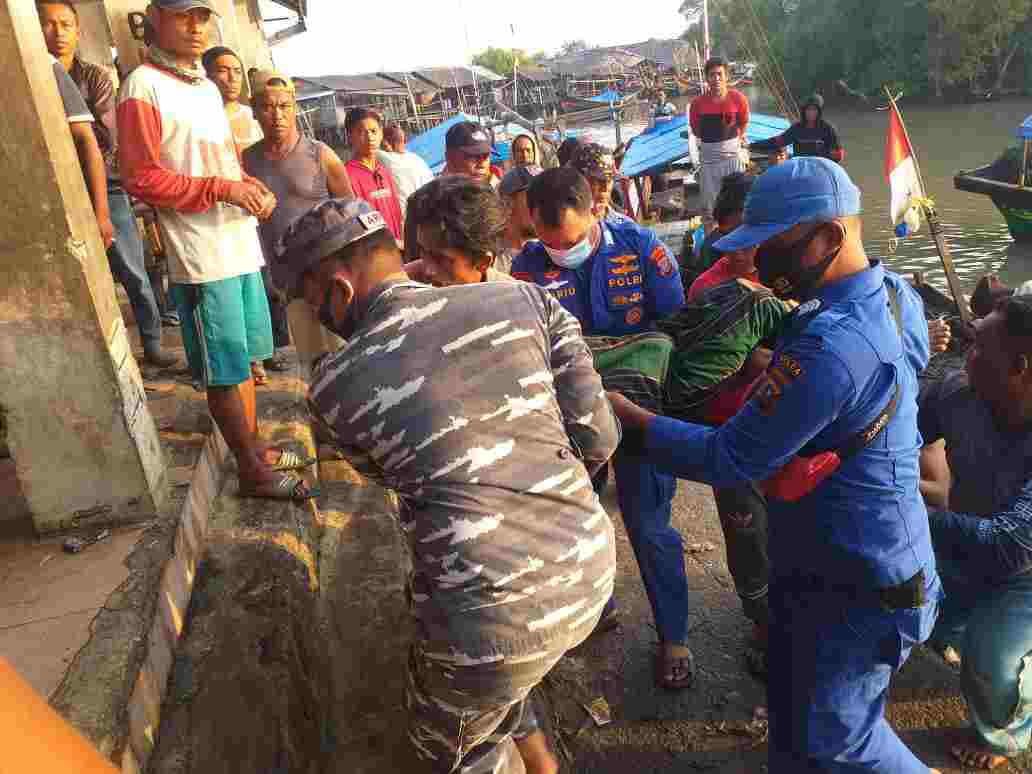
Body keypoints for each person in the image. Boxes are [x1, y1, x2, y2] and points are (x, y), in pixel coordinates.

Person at [605, 157, 943, 773]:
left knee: (843, 741)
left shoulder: (831, 340)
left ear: (827, 239)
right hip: (826, 558)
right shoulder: (895, 297)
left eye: (771, 247)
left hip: (860, 581)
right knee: (793, 718)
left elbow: (731, 456)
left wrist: (634, 418)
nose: (759, 264)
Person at [276, 197, 620, 774]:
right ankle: (543, 764)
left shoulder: (332, 388)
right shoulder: (525, 299)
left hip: (484, 619)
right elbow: (598, 437)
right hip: (589, 571)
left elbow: (398, 473)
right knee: (498, 675)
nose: (320, 316)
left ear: (337, 288)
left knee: (453, 752)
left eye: (313, 302)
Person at [119, 0, 314, 501]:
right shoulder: (142, 86)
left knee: (244, 358)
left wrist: (248, 185)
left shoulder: (205, 87)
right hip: (200, 255)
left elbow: (222, 163)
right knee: (223, 368)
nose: (196, 26)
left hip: (236, 243)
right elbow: (142, 178)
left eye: (203, 16)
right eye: (184, 15)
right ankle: (251, 470)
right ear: (154, 18)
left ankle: (252, 449)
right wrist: (225, 190)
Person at [512, 167, 692, 689]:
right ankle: (597, 606)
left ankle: (674, 637)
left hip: (636, 411)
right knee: (579, 518)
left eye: (567, 243)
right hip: (567, 419)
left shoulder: (642, 250)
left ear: (594, 210)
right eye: (547, 245)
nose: (558, 252)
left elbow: (674, 330)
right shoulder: (527, 267)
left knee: (649, 523)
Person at [918, 296, 1032, 771]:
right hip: (965, 539)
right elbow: (903, 420)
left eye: (981, 349)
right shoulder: (958, 394)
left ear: (1019, 367)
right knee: (921, 612)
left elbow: (1010, 544)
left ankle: (1005, 737)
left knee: (990, 662)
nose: (967, 357)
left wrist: (900, 512)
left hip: (1024, 571)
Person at [38, 1, 177, 367]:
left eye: (65, 24)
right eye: (48, 25)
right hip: (58, 188)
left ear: (78, 30)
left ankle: (152, 342)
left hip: (106, 185)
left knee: (132, 268)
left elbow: (104, 140)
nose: (57, 33)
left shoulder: (95, 77)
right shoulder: (35, 76)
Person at [241, 70, 356, 372]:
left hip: (331, 278)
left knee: (347, 356)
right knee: (313, 364)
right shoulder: (245, 161)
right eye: (267, 107)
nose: (276, 115)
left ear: (294, 107)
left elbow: (350, 210)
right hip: (289, 282)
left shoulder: (321, 154)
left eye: (284, 106)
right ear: (254, 110)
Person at [403, 176, 514, 285]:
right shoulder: (407, 287)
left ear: (482, 262)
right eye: (423, 251)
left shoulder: (516, 300)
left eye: (441, 259)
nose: (428, 270)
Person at [686, 57, 750, 229]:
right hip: (709, 163)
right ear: (707, 78)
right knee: (709, 209)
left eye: (720, 74)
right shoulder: (697, 104)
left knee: (739, 204)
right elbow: (696, 129)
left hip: (733, 159)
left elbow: (743, 122)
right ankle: (712, 246)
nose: (716, 79)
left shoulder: (738, 99)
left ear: (726, 76)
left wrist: (734, 140)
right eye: (712, 75)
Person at [343, 107, 403, 241]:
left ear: (381, 134)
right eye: (361, 132)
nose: (369, 137)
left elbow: (397, 212)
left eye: (373, 131)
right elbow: (356, 224)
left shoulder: (383, 171)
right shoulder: (347, 175)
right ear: (350, 137)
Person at [751, 94, 845, 164]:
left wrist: (822, 154)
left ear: (819, 111)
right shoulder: (797, 128)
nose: (811, 113)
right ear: (803, 111)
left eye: (814, 110)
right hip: (800, 169)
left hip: (820, 169)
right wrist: (752, 145)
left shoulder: (828, 129)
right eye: (808, 109)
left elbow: (839, 154)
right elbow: (777, 141)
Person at [202, 45, 262, 151]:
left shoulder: (254, 116)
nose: (233, 78)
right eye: (223, 71)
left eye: (237, 71)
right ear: (207, 76)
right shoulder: (202, 121)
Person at [377, 123, 433, 215]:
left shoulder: (385, 158)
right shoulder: (416, 158)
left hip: (406, 213)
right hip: (426, 209)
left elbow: (371, 149)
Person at [496, 164, 542, 275]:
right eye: (535, 197)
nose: (544, 206)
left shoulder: (556, 254)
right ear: (508, 204)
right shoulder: (487, 260)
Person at [570, 142, 632, 224]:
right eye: (598, 181)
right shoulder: (562, 227)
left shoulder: (623, 224)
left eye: (609, 180)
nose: (605, 188)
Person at [441, 120, 500, 187]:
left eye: (486, 156)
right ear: (450, 158)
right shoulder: (435, 195)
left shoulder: (502, 191)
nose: (482, 164)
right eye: (473, 156)